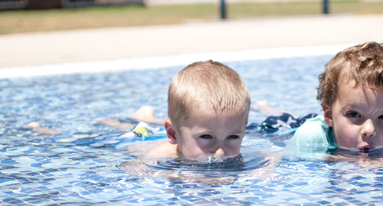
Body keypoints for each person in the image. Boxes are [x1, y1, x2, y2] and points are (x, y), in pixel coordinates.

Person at [29, 60, 251, 160]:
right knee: (82, 139)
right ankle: (42, 129)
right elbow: (135, 169)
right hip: (133, 138)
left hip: (151, 133)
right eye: (206, 137)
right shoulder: (159, 156)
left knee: (143, 126)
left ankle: (144, 117)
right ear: (173, 134)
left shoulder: (198, 137)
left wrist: (265, 171)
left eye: (233, 136)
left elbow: (270, 156)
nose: (220, 150)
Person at [253, 42, 383, 154]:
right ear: (329, 115)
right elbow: (290, 161)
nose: (370, 130)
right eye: (354, 114)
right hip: (285, 128)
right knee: (281, 118)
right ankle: (264, 107)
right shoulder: (308, 137)